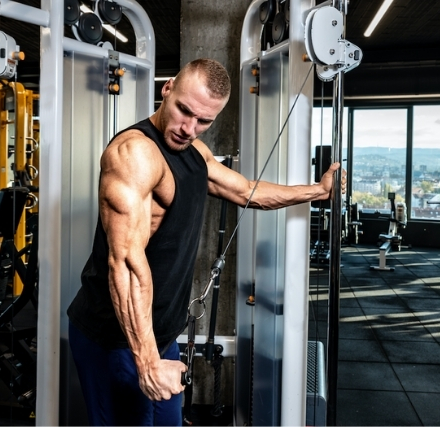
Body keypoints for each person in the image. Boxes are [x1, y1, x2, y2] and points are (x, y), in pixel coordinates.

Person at [67, 58, 344, 426]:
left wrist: (317, 191)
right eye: (184, 111)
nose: (189, 128)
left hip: (160, 335)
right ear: (167, 89)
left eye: (203, 121)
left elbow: (248, 191)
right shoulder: (135, 155)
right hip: (116, 338)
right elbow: (127, 265)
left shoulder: (194, 152)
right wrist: (147, 363)